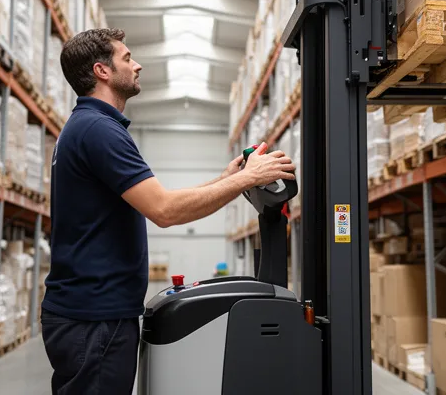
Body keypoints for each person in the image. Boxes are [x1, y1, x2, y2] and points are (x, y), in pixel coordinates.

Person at [41, 28, 296, 394]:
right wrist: (247, 179)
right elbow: (164, 211)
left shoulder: (89, 127)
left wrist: (223, 179)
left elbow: (159, 198)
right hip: (94, 318)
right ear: (102, 71)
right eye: (127, 58)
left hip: (92, 314)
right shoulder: (99, 130)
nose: (138, 65)